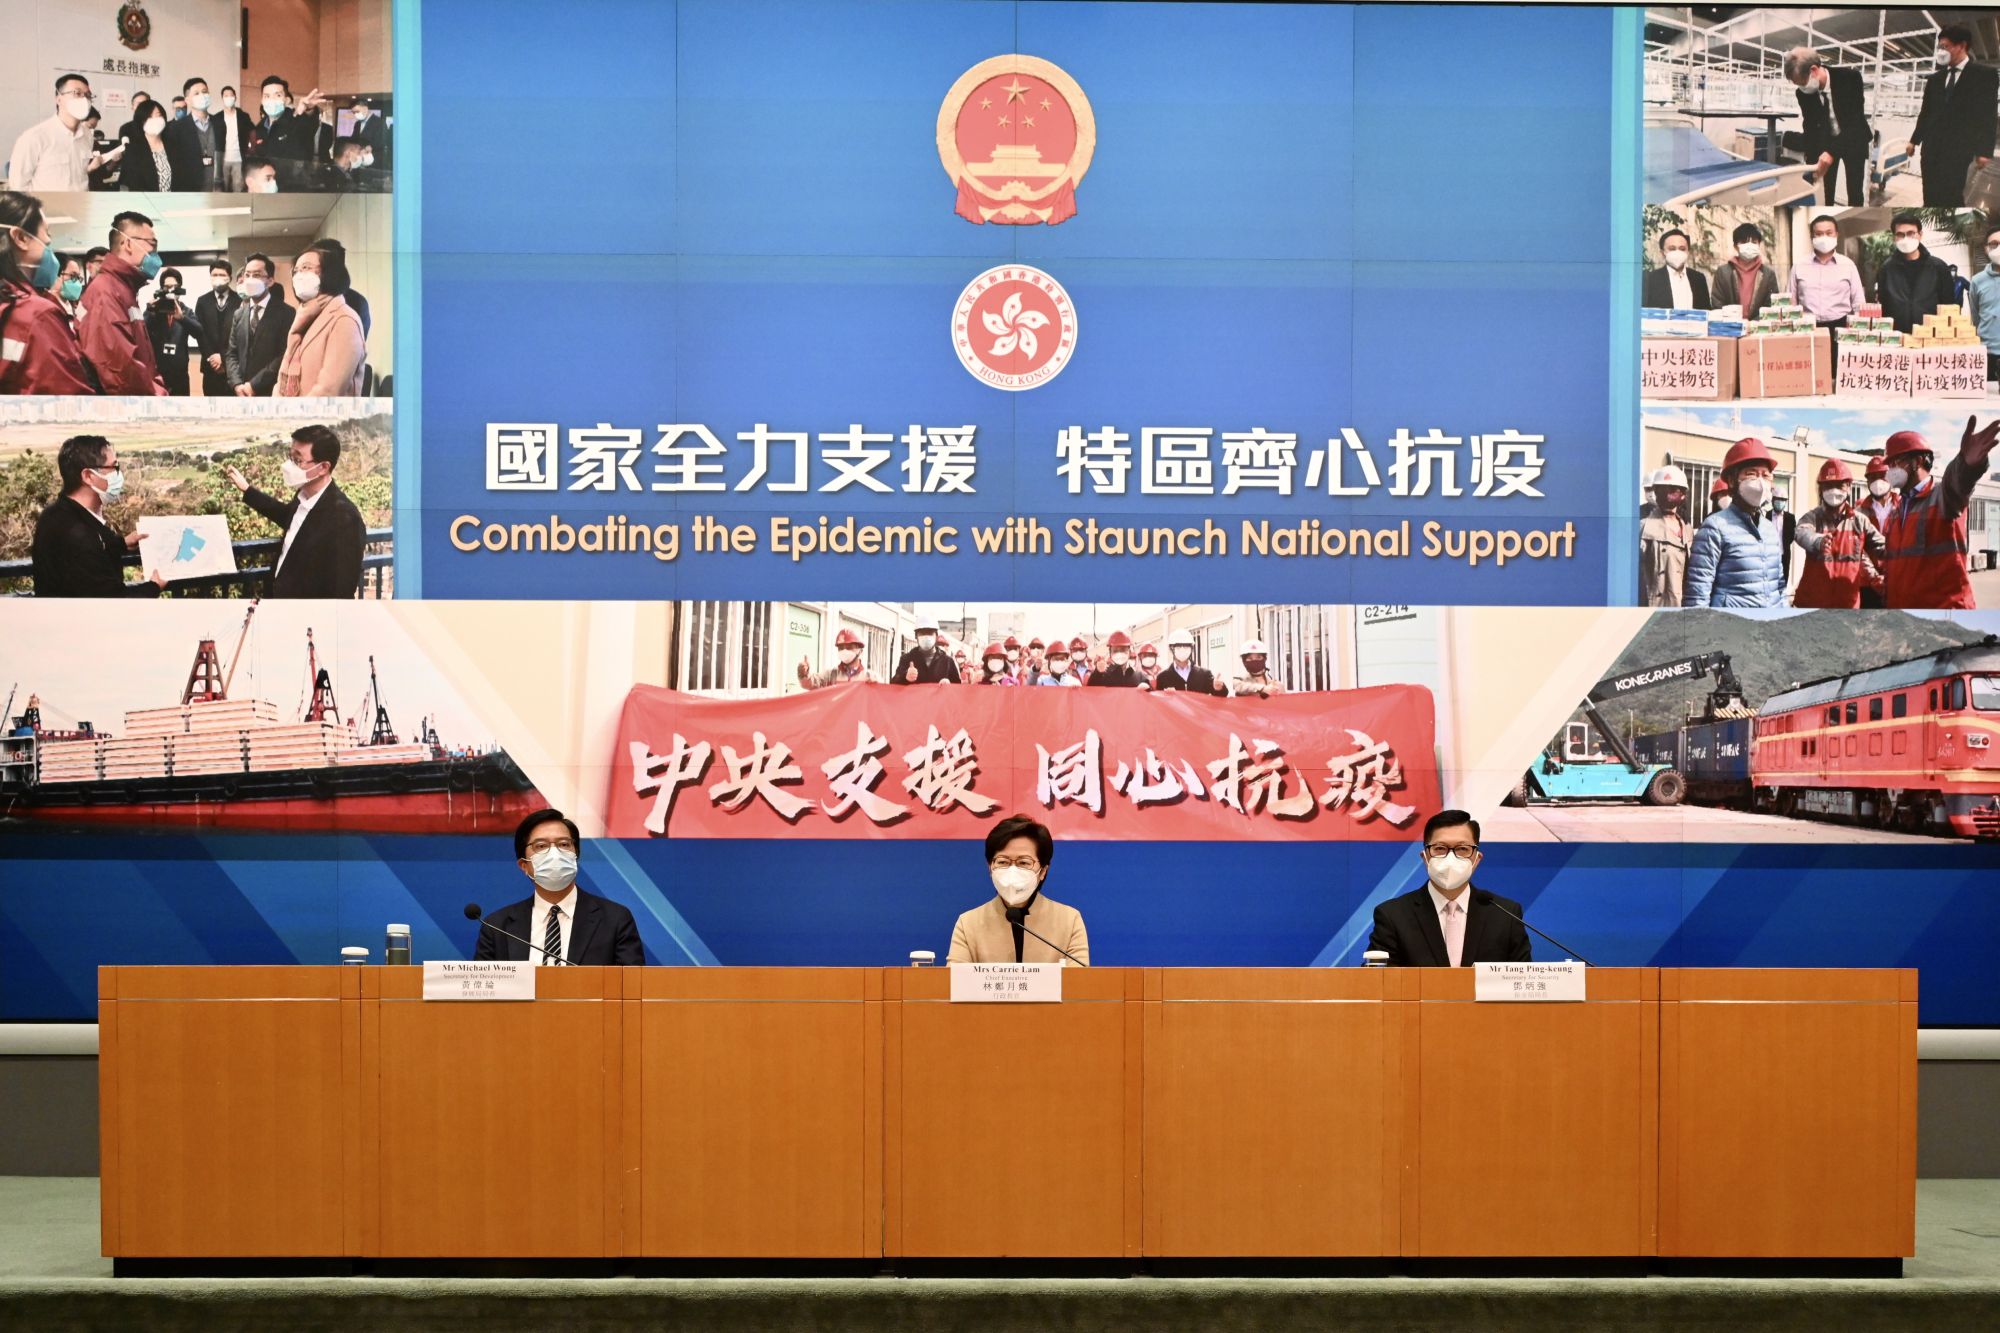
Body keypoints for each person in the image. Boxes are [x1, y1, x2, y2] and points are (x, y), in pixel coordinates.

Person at [473, 809, 645, 966]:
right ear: (523, 865)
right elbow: (486, 994)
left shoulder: (615, 919)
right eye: (541, 846)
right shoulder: (497, 927)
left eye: (564, 844)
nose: (554, 853)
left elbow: (631, 989)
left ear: (575, 856)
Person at [1366, 810, 1529, 967]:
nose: (1451, 858)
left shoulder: (1506, 915)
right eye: (1440, 848)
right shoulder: (1393, 915)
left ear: (1476, 859)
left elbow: (1521, 984)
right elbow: (1377, 982)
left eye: (1462, 849)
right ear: (1425, 857)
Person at [222, 424, 365, 598]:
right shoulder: (303, 496)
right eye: (290, 457)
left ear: (323, 467)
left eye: (298, 460)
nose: (290, 466)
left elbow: (341, 590)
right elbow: (288, 517)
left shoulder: (345, 519)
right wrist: (247, 490)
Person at [1878, 420, 1997, 610]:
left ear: (1916, 461)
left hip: (1944, 608)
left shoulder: (1943, 497)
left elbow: (1958, 481)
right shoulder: (1896, 511)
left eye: (1895, 462)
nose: (1890, 469)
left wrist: (1966, 464)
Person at [30, 435, 166, 597]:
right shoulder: (78, 534)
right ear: (88, 476)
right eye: (114, 468)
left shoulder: (55, 513)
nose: (119, 475)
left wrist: (121, 544)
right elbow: (112, 600)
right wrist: (154, 586)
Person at [946, 814, 1088, 966]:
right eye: (1003, 861)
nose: (1012, 870)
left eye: (1023, 862)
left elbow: (1079, 984)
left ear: (1043, 871)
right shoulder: (968, 924)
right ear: (990, 868)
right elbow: (955, 984)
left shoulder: (1069, 921)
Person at [0, 192, 96, 394]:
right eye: (47, 240)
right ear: (21, 238)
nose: (50, 250)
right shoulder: (36, 315)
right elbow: (70, 399)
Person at [1683, 438, 1785, 607]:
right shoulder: (1714, 527)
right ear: (1732, 480)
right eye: (1751, 474)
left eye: (1766, 475)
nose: (1760, 482)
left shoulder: (1769, 528)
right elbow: (1697, 594)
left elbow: (1779, 586)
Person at [1906, 24, 1998, 209]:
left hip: (1959, 148)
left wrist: (1984, 151)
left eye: (1945, 46)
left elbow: (1988, 115)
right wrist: (1914, 140)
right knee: (1930, 193)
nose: (1941, 51)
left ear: (1961, 46)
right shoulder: (1935, 79)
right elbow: (1926, 112)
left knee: (1951, 194)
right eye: (1940, 46)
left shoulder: (1984, 75)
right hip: (1931, 148)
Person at [78, 211, 165, 395]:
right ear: (128, 244)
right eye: (152, 245)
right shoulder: (105, 292)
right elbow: (119, 369)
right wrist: (154, 393)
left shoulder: (124, 289)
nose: (155, 255)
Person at [274, 239, 366, 396]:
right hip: (291, 416)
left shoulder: (344, 319)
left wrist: (293, 418)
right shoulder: (304, 317)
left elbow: (329, 390)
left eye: (306, 268)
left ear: (328, 273)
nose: (299, 276)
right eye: (296, 271)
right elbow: (281, 382)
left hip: (322, 418)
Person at [1792, 460, 1886, 610]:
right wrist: (1818, 541)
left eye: (1839, 485)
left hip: (1847, 604)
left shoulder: (1860, 521)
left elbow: (1883, 547)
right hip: (1813, 604)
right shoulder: (1812, 517)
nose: (1834, 490)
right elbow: (1801, 532)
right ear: (1821, 489)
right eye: (1828, 486)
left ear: (1849, 487)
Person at [1785, 48, 1870, 207]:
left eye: (1802, 83)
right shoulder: (1802, 93)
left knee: (1855, 192)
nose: (1802, 88)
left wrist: (1831, 153)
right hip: (1826, 143)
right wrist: (1812, 163)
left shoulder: (1850, 78)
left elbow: (1855, 121)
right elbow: (1810, 126)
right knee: (1825, 191)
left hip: (1853, 140)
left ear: (1814, 70)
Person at [9, 74, 106, 192]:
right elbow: (18, 186)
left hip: (80, 206)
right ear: (59, 99)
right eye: (77, 93)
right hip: (47, 209)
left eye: (88, 95)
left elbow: (81, 176)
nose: (84, 99)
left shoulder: (87, 136)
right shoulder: (35, 137)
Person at [1790, 215, 1863, 356]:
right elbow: (1791, 302)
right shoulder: (1799, 266)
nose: (1824, 237)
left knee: (1838, 373)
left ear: (1836, 234)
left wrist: (1858, 330)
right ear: (1812, 237)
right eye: (1819, 234)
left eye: (1829, 233)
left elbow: (1858, 301)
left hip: (1841, 327)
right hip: (1807, 329)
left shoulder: (1848, 265)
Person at [225, 254, 294, 396]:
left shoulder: (286, 312)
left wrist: (254, 384)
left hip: (270, 391)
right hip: (241, 392)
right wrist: (237, 384)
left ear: (270, 281)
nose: (250, 280)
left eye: (256, 275)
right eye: (247, 275)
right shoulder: (239, 314)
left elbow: (284, 354)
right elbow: (231, 353)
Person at [1878, 214, 1956, 334]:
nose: (1906, 238)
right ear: (1894, 238)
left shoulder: (1938, 267)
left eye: (1911, 233)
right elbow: (1883, 306)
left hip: (1931, 337)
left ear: (1920, 235)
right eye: (1900, 234)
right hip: (1897, 338)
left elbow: (1948, 306)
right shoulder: (1886, 269)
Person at [252, 77, 325, 183]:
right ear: (262, 101)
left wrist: (308, 110)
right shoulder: (259, 128)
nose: (271, 100)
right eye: (267, 96)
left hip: (293, 187)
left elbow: (307, 127)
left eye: (277, 95)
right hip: (266, 187)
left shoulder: (296, 120)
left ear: (286, 100)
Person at [1639, 465, 1692, 608]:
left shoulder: (1687, 529)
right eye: (1663, 490)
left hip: (1681, 609)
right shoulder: (1643, 528)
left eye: (1673, 490)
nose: (1668, 495)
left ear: (1683, 494)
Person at [161, 77, 220, 190]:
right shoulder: (176, 128)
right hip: (190, 189)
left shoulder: (219, 123)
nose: (202, 96)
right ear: (187, 100)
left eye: (205, 92)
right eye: (196, 93)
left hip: (215, 188)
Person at [1711, 223, 1776, 319]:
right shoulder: (1723, 272)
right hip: (1731, 329)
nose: (1749, 246)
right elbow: (1717, 303)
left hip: (1758, 329)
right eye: (1744, 242)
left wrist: (1754, 324)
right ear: (1735, 246)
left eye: (1754, 242)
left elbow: (1771, 306)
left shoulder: (1768, 274)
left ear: (1759, 245)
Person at [143, 277, 196, 396]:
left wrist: (183, 318)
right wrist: (150, 310)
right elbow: (142, 330)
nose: (171, 290)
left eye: (174, 287)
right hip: (158, 373)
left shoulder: (186, 311)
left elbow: (198, 332)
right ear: (161, 289)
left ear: (180, 288)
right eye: (167, 287)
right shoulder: (155, 310)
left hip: (180, 373)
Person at [193, 261, 239, 396]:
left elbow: (239, 335)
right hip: (210, 365)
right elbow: (199, 333)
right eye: (214, 275)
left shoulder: (240, 300)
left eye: (222, 274)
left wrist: (223, 359)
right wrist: (212, 358)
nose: (218, 277)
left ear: (230, 278)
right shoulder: (202, 301)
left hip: (232, 367)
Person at [116, 98, 176, 192]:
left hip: (172, 202)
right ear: (141, 121)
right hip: (144, 203)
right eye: (149, 117)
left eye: (158, 115)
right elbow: (126, 184)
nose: (154, 120)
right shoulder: (133, 150)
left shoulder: (173, 146)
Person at [1966, 223, 2000, 385]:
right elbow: (1976, 315)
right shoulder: (1977, 281)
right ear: (1986, 248)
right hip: (1987, 354)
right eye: (1994, 244)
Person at [1642, 228, 1709, 308]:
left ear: (1688, 252)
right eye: (1672, 249)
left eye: (1682, 249)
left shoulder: (1699, 279)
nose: (1677, 252)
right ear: (1662, 252)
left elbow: (1706, 311)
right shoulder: (1650, 279)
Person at [1152, 630, 1226, 695]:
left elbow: (1221, 697)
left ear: (1192, 649)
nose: (1182, 649)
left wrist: (1219, 688)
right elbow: (1159, 705)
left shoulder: (1204, 674)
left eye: (1186, 646)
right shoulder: (1162, 677)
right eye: (1178, 646)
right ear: (1171, 649)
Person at [798, 627, 873, 688]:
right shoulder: (831, 675)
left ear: (860, 651)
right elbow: (810, 684)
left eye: (849, 647)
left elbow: (880, 701)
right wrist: (803, 674)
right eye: (841, 648)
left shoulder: (870, 677)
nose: (844, 651)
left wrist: (874, 686)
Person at [893, 619, 961, 684]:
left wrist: (949, 683)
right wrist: (905, 677)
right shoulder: (906, 659)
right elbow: (893, 684)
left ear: (936, 636)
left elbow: (958, 688)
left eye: (930, 633)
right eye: (922, 633)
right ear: (916, 636)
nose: (926, 637)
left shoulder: (947, 661)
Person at [212, 87, 254, 191]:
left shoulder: (243, 116)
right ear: (222, 98)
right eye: (226, 96)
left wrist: (251, 148)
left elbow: (253, 131)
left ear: (235, 97)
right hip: (222, 160)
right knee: (222, 190)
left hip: (239, 160)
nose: (229, 98)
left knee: (238, 191)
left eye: (231, 95)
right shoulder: (217, 118)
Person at [1083, 630, 1148, 687]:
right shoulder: (1103, 676)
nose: (1119, 654)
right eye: (1115, 651)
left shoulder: (1139, 677)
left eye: (1123, 650)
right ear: (1110, 653)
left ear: (1129, 652)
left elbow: (1151, 697)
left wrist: (1147, 689)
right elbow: (1091, 692)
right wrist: (1097, 673)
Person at [351, 97, 389, 168]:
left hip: (374, 163)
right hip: (359, 161)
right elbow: (354, 140)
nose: (355, 114)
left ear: (365, 108)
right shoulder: (357, 124)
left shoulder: (379, 122)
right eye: (353, 112)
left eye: (357, 111)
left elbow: (381, 142)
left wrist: (366, 149)